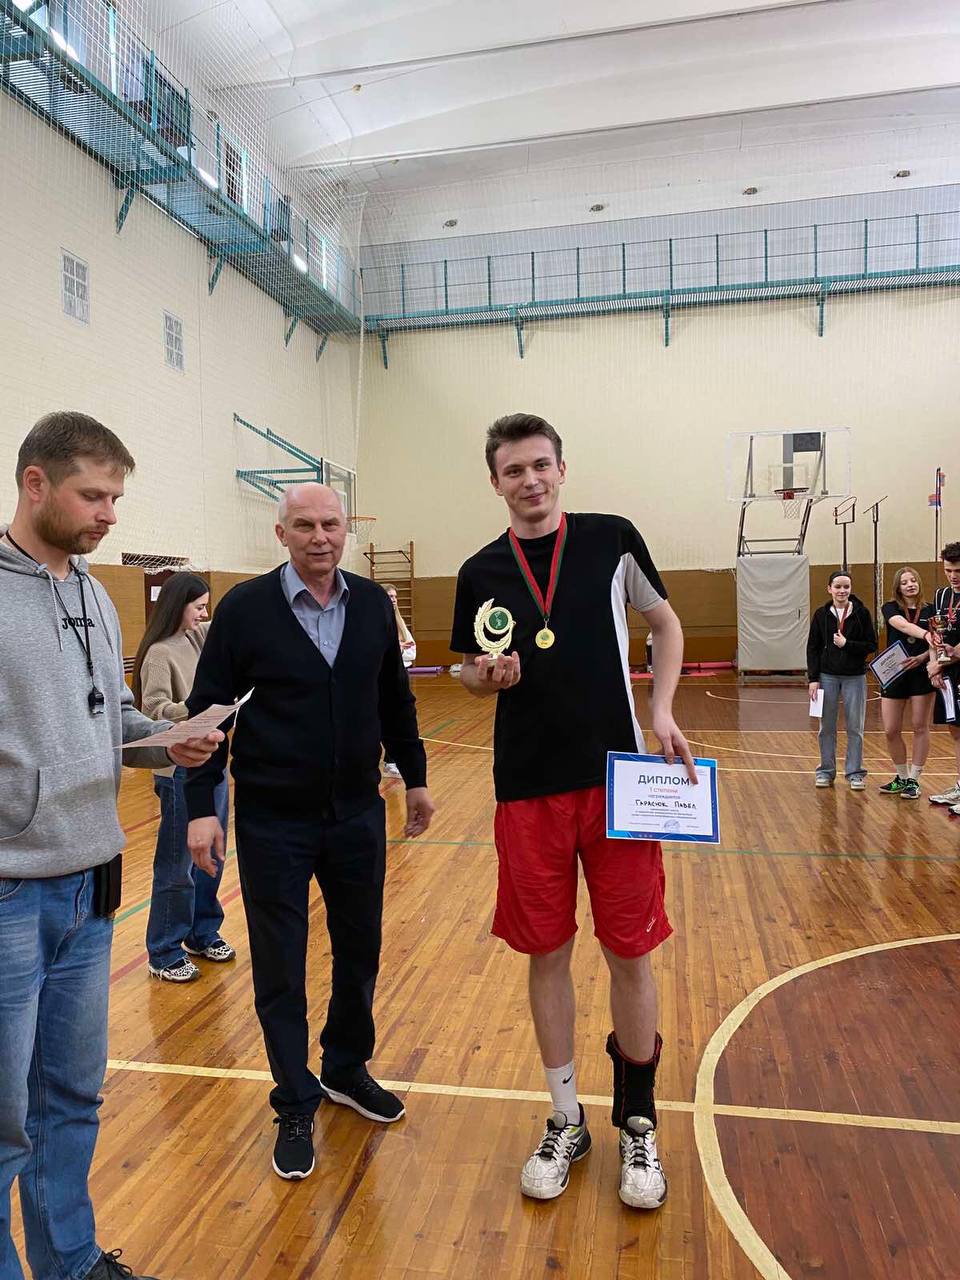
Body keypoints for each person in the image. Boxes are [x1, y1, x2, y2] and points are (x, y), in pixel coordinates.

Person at [450, 413, 694, 1210]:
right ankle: (565, 1118)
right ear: (495, 481)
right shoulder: (480, 570)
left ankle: (639, 1122)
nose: (529, 480)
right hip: (527, 788)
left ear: (562, 469)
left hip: (619, 780)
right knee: (546, 954)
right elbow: (465, 669)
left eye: (540, 465)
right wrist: (482, 678)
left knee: (631, 953)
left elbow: (666, 623)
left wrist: (661, 709)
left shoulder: (612, 539)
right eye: (513, 470)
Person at [0, 412, 221, 1280]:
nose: (110, 514)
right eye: (94, 495)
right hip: (10, 893)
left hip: (93, 885)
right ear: (35, 483)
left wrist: (170, 742)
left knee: (70, 1098)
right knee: (2, 1121)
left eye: (116, 497)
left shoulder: (94, 594)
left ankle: (72, 1261)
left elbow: (113, 719)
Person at [184, 482, 436, 1182]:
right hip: (273, 819)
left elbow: (396, 700)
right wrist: (201, 806)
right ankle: (294, 1098)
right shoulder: (245, 609)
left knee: (360, 949)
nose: (320, 537)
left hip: (357, 814)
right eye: (304, 526)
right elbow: (209, 712)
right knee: (280, 965)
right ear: (281, 533)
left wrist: (415, 777)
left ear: (346, 529)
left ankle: (345, 1068)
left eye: (330, 524)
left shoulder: (373, 606)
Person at [132, 572, 236, 982]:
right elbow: (154, 708)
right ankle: (164, 949)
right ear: (179, 606)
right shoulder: (160, 653)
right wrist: (197, 710)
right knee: (177, 864)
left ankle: (202, 931)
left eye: (207, 606)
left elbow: (230, 628)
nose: (204, 614)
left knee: (213, 854)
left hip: (211, 762)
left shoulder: (199, 637)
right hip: (177, 768)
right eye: (199, 607)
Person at [807, 570, 878, 790]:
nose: (842, 590)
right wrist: (813, 678)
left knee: (855, 726)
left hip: (855, 677)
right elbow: (813, 647)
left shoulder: (861, 613)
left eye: (846, 586)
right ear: (829, 588)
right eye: (837, 586)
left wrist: (847, 644)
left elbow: (871, 645)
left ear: (851, 588)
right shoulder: (821, 614)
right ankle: (825, 771)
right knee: (826, 727)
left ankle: (855, 773)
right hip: (827, 676)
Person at [878, 567, 936, 799]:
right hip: (894, 673)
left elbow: (938, 642)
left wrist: (922, 657)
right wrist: (926, 635)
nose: (910, 584)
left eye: (913, 580)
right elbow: (902, 625)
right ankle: (901, 777)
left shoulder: (931, 610)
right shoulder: (890, 607)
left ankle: (914, 779)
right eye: (904, 582)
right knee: (891, 729)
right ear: (898, 587)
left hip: (921, 673)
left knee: (920, 726)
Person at [927, 541, 960, 814]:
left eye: (958, 570)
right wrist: (935, 663)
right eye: (948, 570)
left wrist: (942, 663)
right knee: (955, 730)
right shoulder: (941, 595)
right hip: (948, 671)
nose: (953, 576)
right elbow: (936, 634)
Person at [381, 583, 416, 778]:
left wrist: (400, 649)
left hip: (402, 674)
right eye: (390, 596)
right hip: (386, 675)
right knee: (384, 719)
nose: (393, 600)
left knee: (400, 719)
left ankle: (392, 761)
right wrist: (398, 649)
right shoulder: (377, 621)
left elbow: (412, 652)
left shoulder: (400, 622)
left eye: (395, 597)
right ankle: (388, 762)